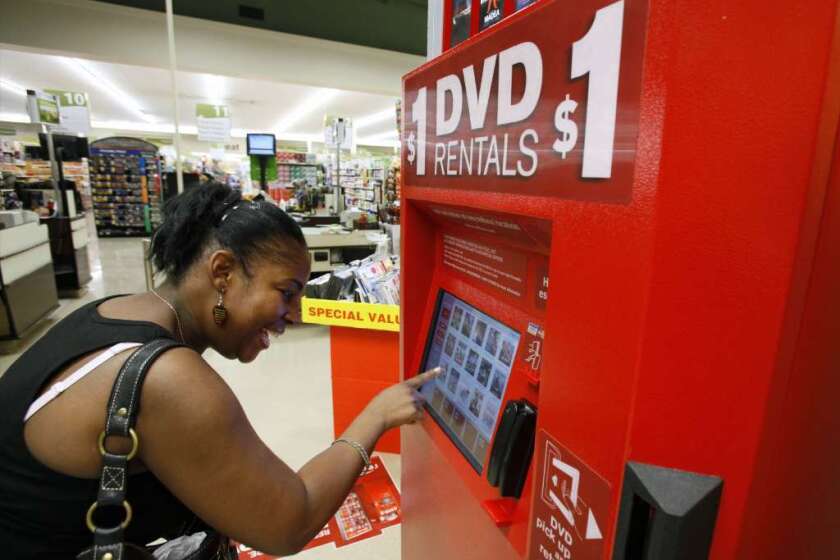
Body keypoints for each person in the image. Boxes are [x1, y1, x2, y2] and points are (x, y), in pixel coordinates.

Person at [0, 182, 438, 558]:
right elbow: (289, 520)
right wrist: (376, 415)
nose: (295, 314)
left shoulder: (111, 312)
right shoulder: (166, 378)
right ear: (223, 271)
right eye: (286, 292)